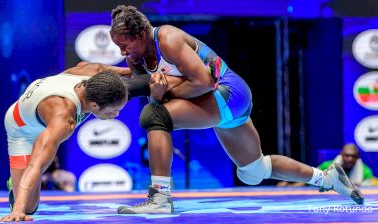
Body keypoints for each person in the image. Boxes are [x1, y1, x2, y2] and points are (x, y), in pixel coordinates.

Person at [109, 5, 364, 214]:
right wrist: (154, 94)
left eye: (125, 45)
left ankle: (160, 198)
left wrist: (161, 94)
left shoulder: (167, 38)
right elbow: (153, 91)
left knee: (154, 116)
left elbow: (204, 82)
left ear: (141, 34)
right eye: (118, 47)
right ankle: (328, 178)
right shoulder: (137, 57)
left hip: (229, 92)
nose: (122, 52)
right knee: (254, 171)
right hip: (216, 102)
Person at [0, 61, 183, 222]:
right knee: (29, 207)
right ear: (94, 106)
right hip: (20, 128)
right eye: (113, 111)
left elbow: (104, 68)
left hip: (40, 105)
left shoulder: (93, 75)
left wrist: (149, 74)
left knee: (143, 82)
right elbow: (35, 165)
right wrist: (18, 210)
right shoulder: (63, 119)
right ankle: (14, 186)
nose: (116, 115)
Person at [277, 143, 376, 187]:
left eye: (353, 156)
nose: (349, 159)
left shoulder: (366, 171)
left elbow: (371, 184)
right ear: (341, 155)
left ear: (358, 157)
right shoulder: (326, 165)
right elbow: (309, 179)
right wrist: (290, 185)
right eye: (347, 155)